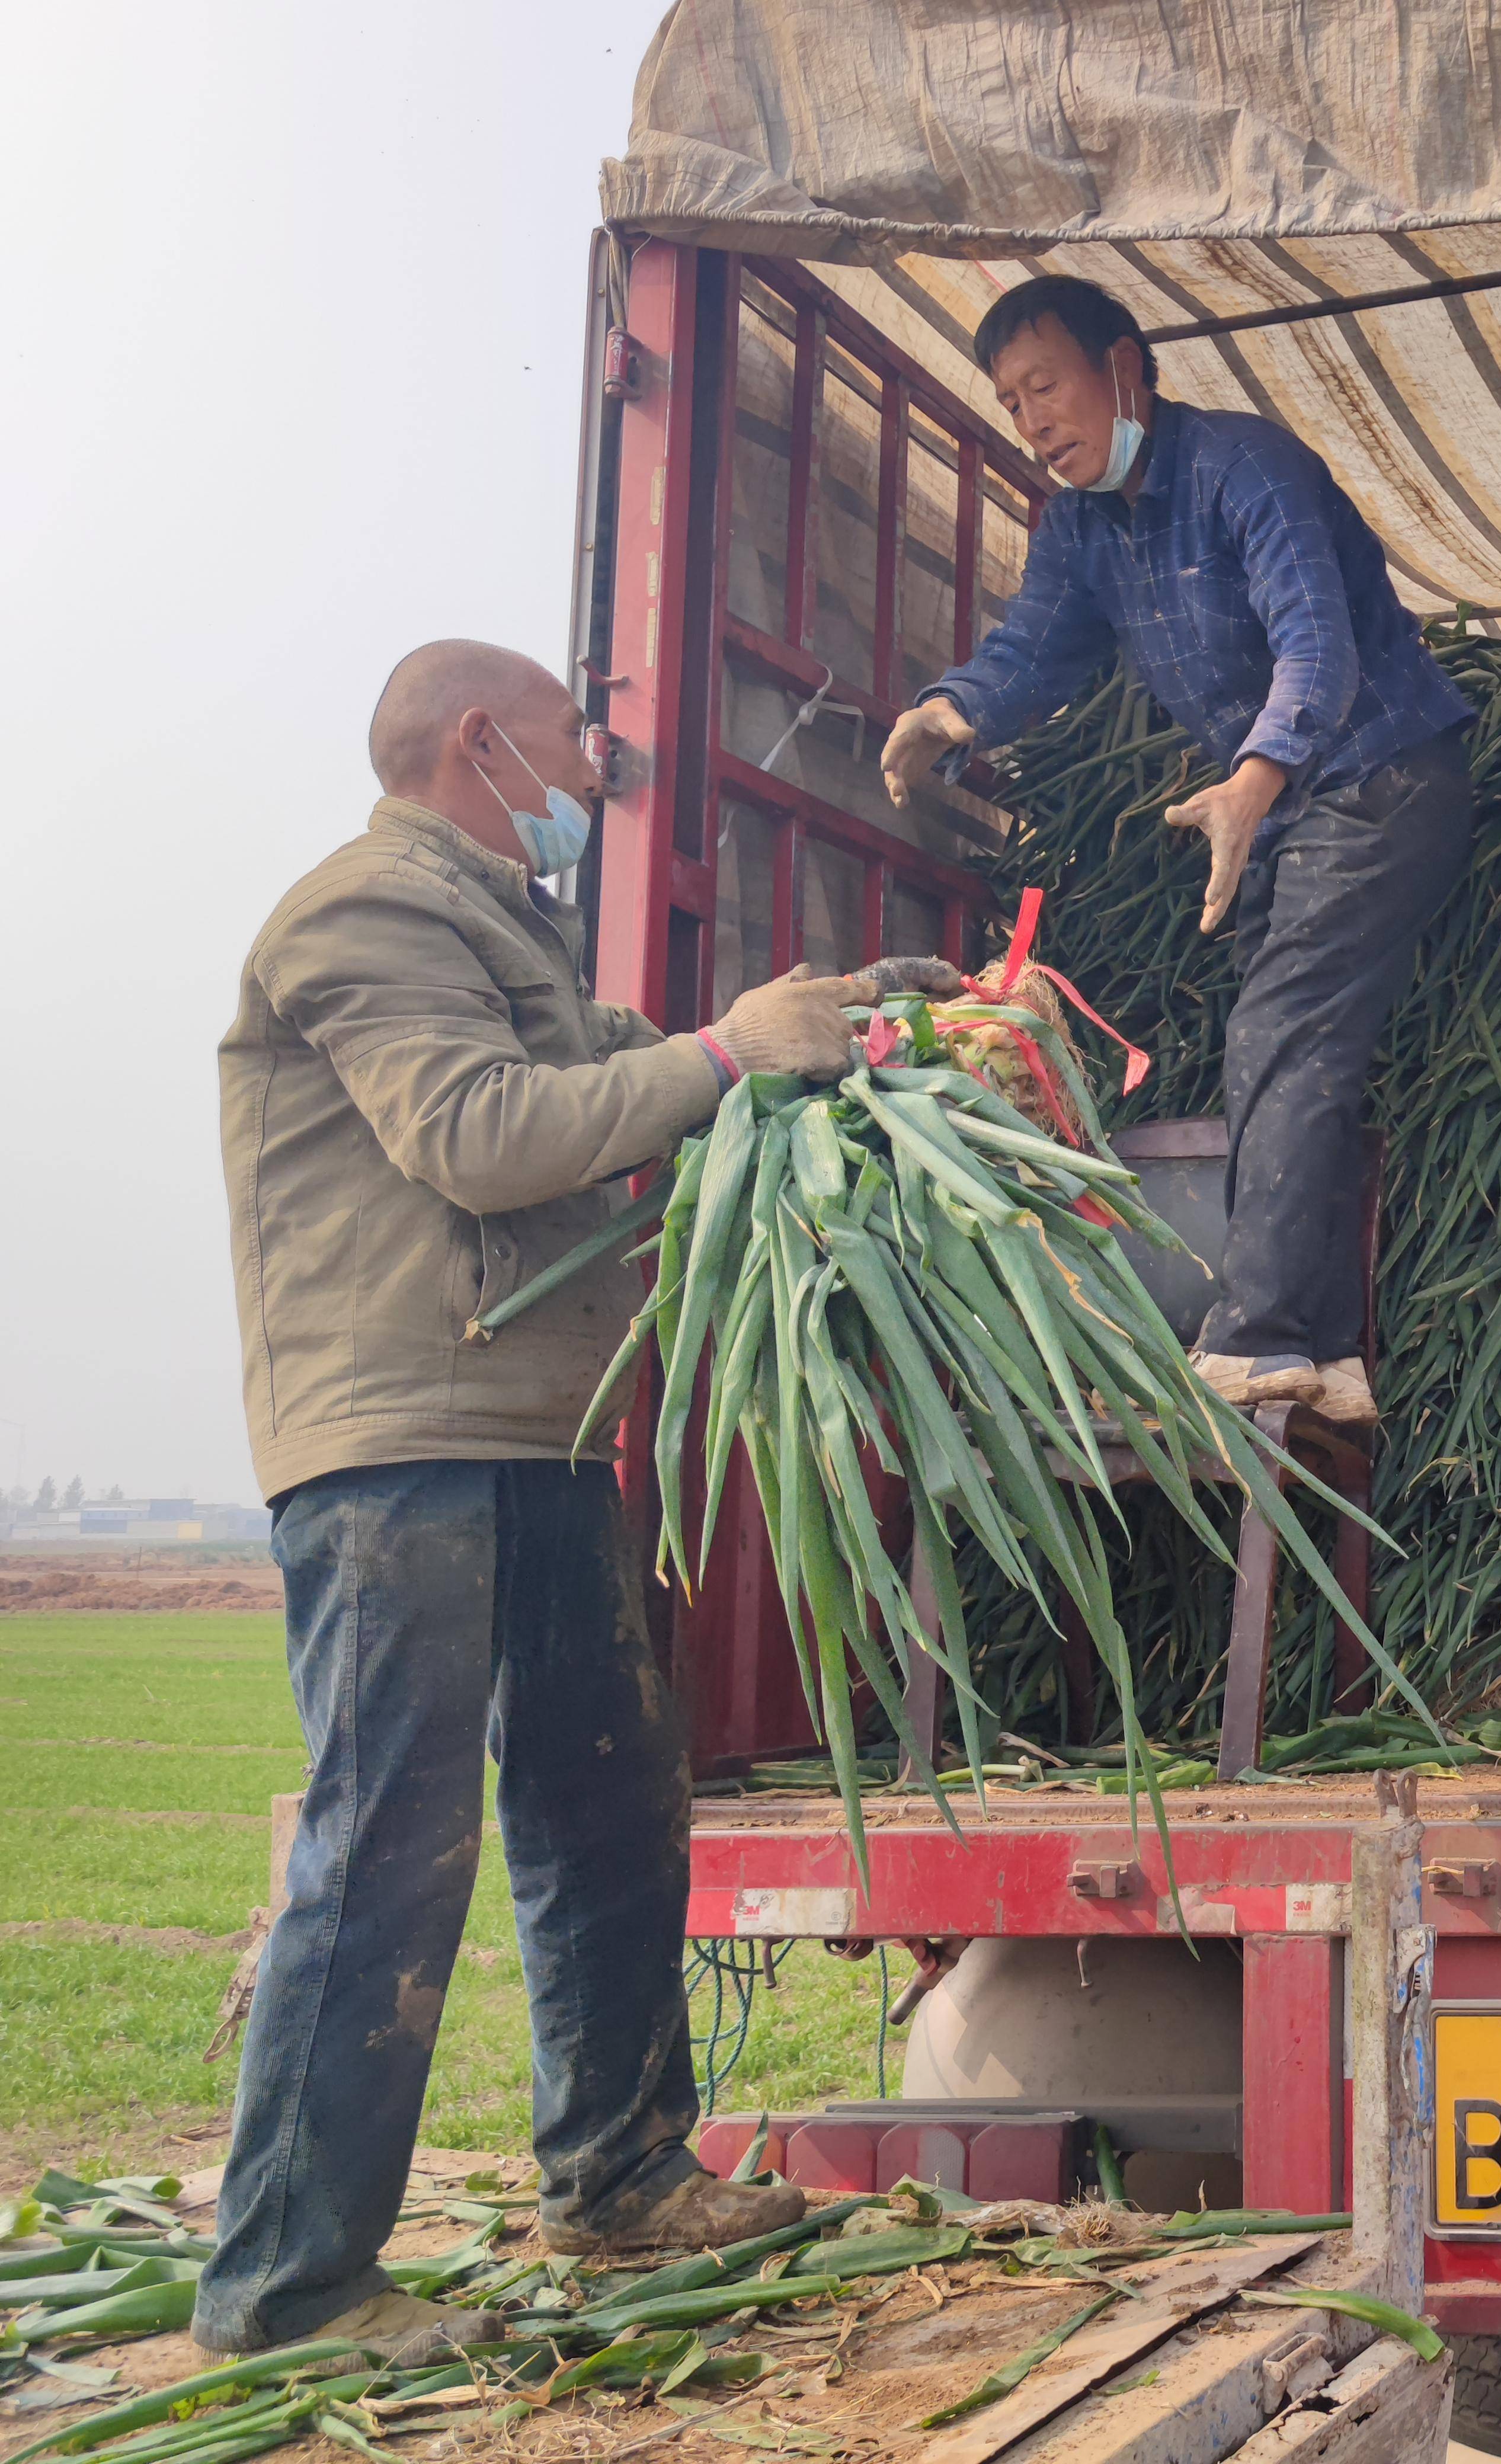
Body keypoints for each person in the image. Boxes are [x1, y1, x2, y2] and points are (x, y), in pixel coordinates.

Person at [204, 640, 959, 2358]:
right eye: (574, 746)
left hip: (534, 1427)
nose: (594, 778)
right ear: (481, 741)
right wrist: (721, 1054)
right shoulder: (362, 918)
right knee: (390, 1838)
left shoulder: (503, 928)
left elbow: (628, 1060)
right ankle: (290, 2284)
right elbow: (479, 1133)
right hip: (395, 1439)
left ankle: (621, 2178)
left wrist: (832, 1018)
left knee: (612, 1802)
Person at [879, 276, 1472, 1428]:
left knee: (1278, 1032)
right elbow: (1034, 650)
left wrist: (1251, 782)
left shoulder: (1245, 468)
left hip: (1386, 777)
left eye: (1045, 386)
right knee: (1291, 1051)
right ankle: (1327, 1354)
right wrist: (951, 714)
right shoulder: (1078, 528)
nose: (1032, 420)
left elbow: (1317, 642)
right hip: (1291, 809)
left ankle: (1255, 1337)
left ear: (1124, 369)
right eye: (1008, 403)